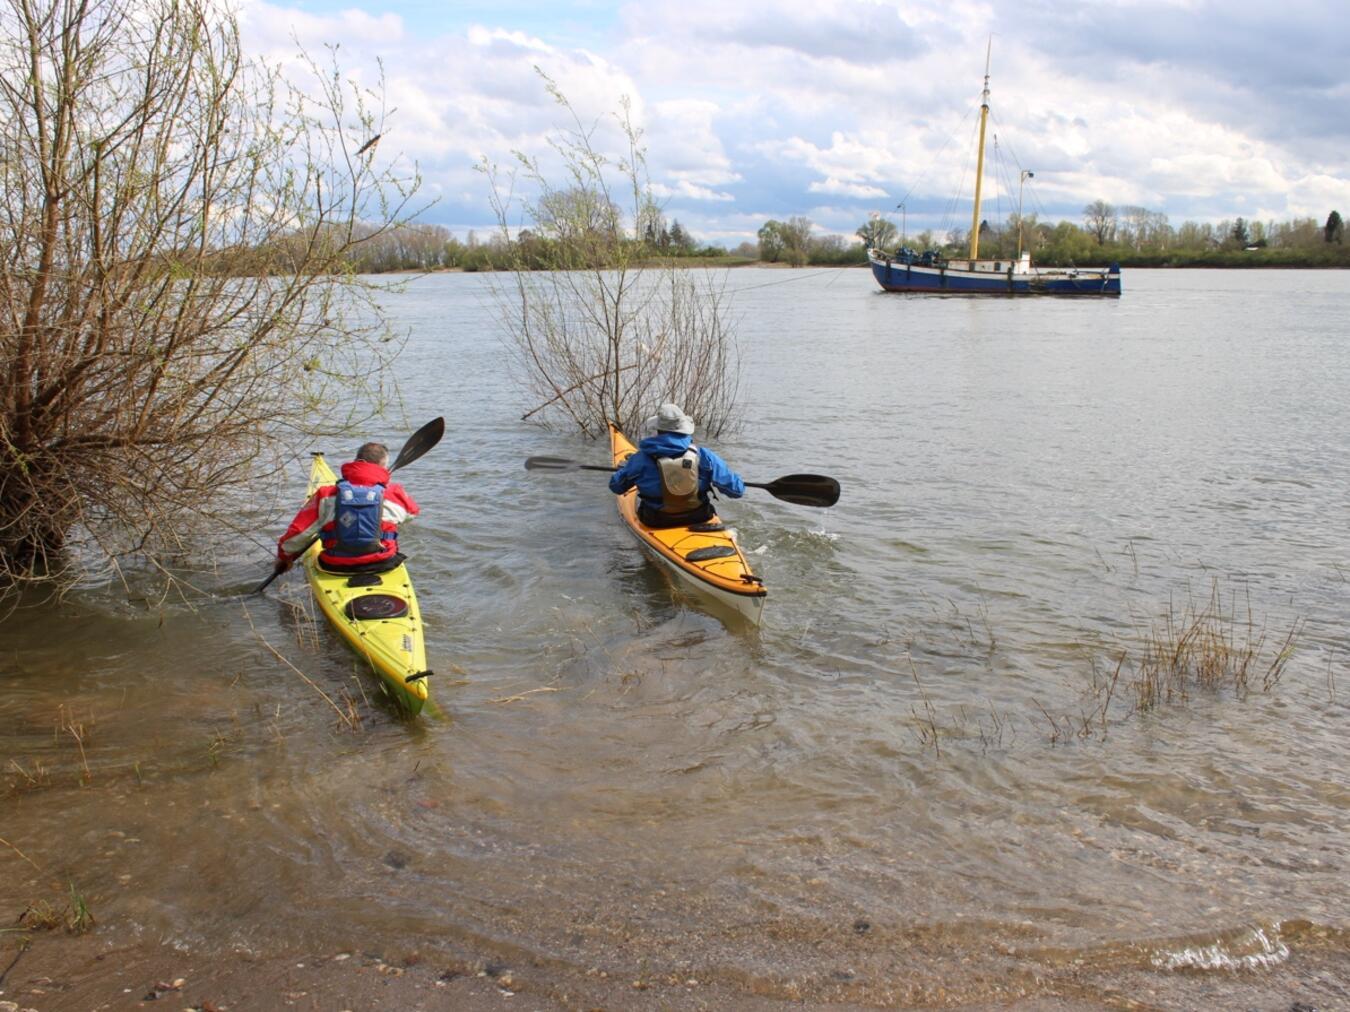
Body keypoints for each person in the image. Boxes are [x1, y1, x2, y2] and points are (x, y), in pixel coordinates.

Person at [274, 441, 419, 575]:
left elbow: (296, 535)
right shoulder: (394, 493)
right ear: (383, 466)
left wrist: (284, 557)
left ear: (357, 461)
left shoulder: (325, 494)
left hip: (335, 565)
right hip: (383, 563)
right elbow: (412, 513)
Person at [609, 403, 745, 528]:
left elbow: (616, 486)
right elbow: (736, 491)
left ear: (658, 430)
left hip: (656, 521)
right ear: (683, 429)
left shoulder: (640, 459)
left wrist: (625, 470)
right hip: (699, 518)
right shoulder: (704, 455)